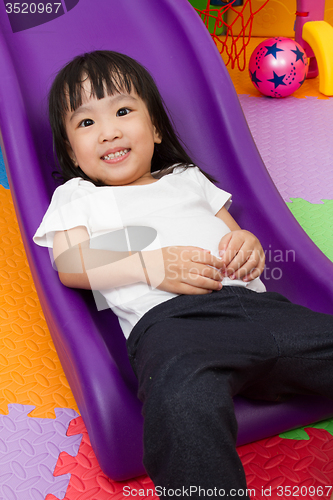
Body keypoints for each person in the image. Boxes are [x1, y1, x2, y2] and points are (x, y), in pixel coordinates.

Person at [34, 50, 333, 499]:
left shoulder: (186, 179)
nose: (109, 130)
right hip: (175, 330)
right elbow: (71, 263)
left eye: (122, 111)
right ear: (73, 155)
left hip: (261, 312)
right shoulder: (81, 198)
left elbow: (235, 237)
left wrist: (249, 247)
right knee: (180, 404)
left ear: (154, 129)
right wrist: (150, 265)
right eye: (86, 123)